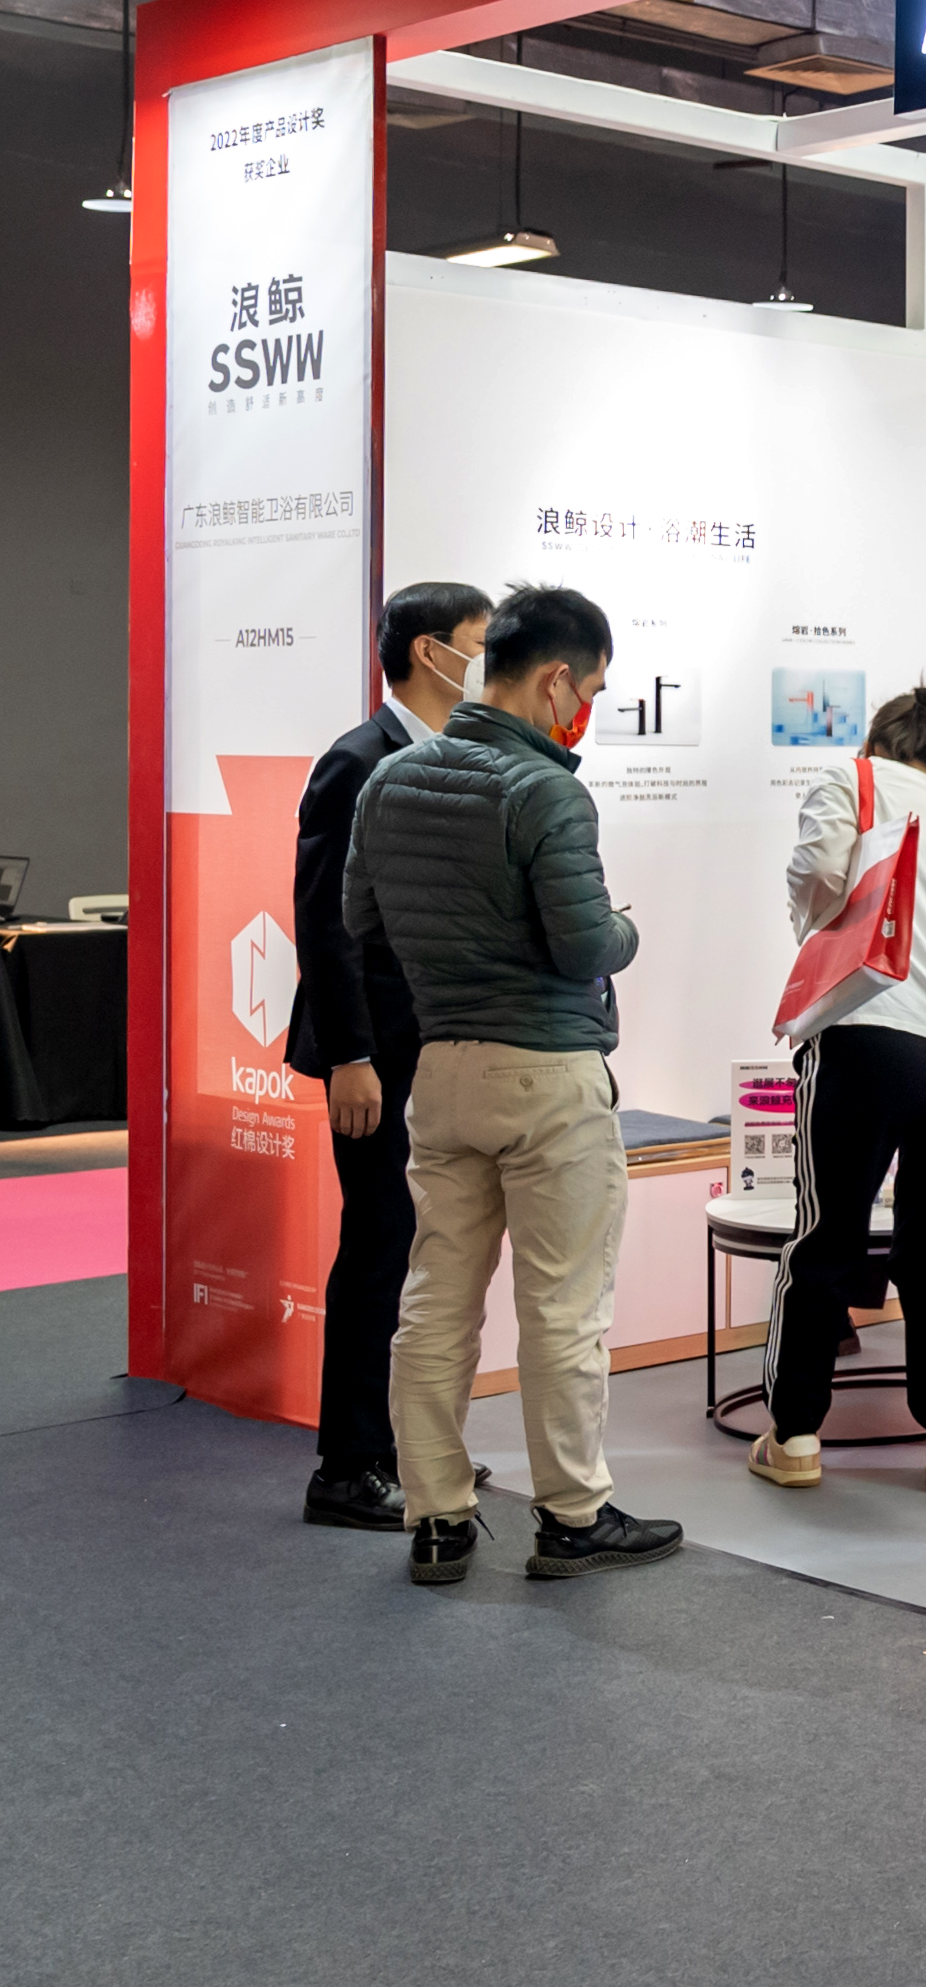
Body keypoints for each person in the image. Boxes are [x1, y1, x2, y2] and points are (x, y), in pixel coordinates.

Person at [345, 582, 678, 1588]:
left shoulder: (389, 779)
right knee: (563, 1307)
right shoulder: (547, 792)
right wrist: (626, 927)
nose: (589, 712)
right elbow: (584, 945)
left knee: (433, 1301)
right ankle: (572, 1516)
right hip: (547, 1076)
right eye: (594, 693)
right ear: (556, 680)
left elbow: (362, 920)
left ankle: (437, 1518)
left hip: (441, 1070)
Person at [750, 682, 926, 1497]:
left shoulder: (850, 780)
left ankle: (795, 1434)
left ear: (875, 745)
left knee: (827, 1235)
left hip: (868, 1031)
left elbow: (816, 875)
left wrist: (819, 932)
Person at [286, 580, 489, 1531]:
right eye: (476, 644)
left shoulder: (457, 758)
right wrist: (351, 1055)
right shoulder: (356, 760)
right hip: (374, 1051)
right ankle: (347, 1464)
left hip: (438, 1041)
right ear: (426, 651)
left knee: (427, 1249)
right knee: (377, 1243)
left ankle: (410, 1445)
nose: (485, 662)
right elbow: (324, 923)